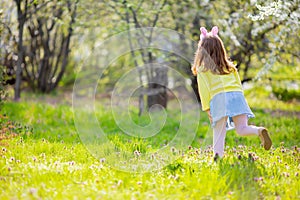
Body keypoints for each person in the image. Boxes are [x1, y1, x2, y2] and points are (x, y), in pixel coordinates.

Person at [191, 26, 272, 158]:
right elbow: (238, 86)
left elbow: (204, 91)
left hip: (220, 98)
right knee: (242, 129)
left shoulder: (203, 69)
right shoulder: (230, 67)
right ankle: (259, 131)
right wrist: (241, 102)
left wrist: (207, 108)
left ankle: (218, 157)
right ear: (220, 49)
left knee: (219, 131)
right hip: (237, 97)